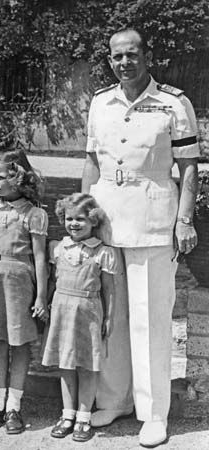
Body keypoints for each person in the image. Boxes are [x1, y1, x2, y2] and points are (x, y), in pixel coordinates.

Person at [82, 28, 200, 447]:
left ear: (146, 56)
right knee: (111, 319)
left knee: (150, 320)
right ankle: (114, 400)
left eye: (132, 54)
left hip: (153, 221)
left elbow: (189, 168)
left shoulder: (173, 102)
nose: (125, 62)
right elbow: (93, 164)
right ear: (110, 60)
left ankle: (153, 413)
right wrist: (83, 216)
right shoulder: (100, 102)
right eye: (117, 56)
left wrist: (184, 221)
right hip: (108, 222)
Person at [0, 149, 49, 435]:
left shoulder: (34, 214)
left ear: (19, 178)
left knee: (19, 344)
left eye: (3, 177)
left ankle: (14, 406)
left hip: (18, 283)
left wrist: (41, 295)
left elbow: (40, 258)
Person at [42, 193, 117, 442]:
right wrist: (46, 303)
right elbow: (53, 281)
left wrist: (109, 317)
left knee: (86, 365)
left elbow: (108, 289)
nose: (74, 224)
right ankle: (67, 414)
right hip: (63, 310)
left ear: (93, 221)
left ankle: (84, 416)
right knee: (65, 364)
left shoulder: (103, 253)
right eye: (69, 218)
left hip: (89, 311)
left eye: (81, 219)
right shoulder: (59, 248)